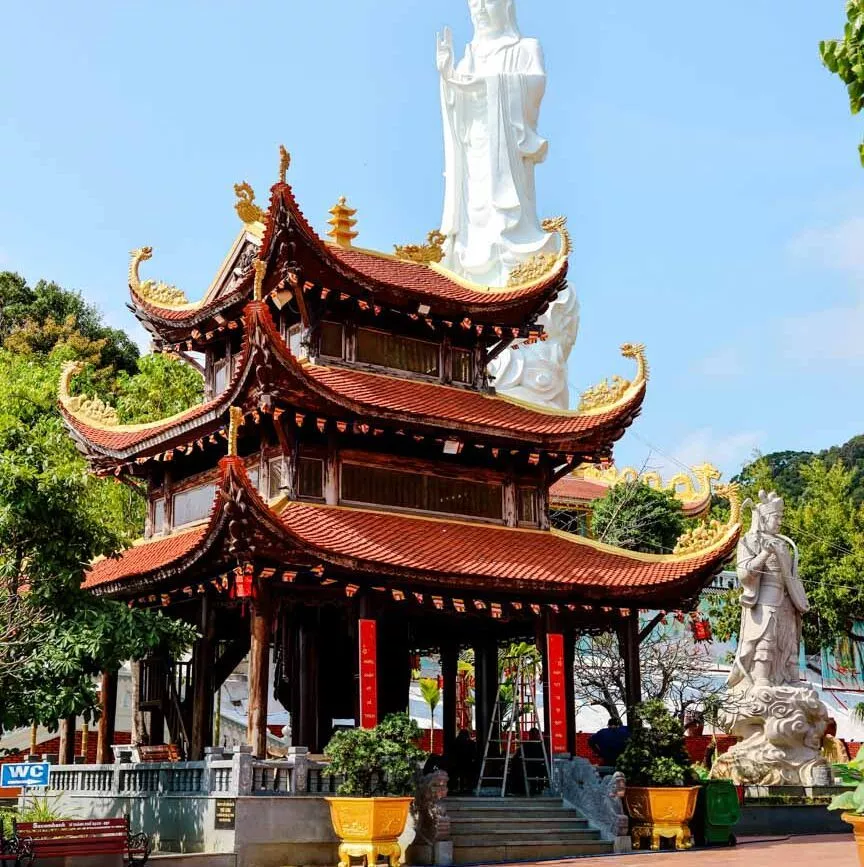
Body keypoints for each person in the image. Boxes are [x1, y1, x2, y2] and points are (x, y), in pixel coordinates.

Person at [437, 0, 559, 287]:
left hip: (505, 150)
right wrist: (448, 77)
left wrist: (493, 84)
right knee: (471, 212)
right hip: (474, 147)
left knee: (503, 212)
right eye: (474, 3)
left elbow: (535, 85)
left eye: (487, 2)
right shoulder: (469, 56)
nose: (479, 10)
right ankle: (467, 261)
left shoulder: (525, 47)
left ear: (505, 6)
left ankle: (510, 252)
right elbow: (458, 103)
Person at [450, 728, 477, 794]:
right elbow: (474, 752)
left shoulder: (456, 742)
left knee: (460, 775)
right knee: (468, 776)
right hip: (468, 761)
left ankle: (459, 787)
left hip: (458, 761)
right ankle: (468, 788)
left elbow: (453, 752)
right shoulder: (470, 743)